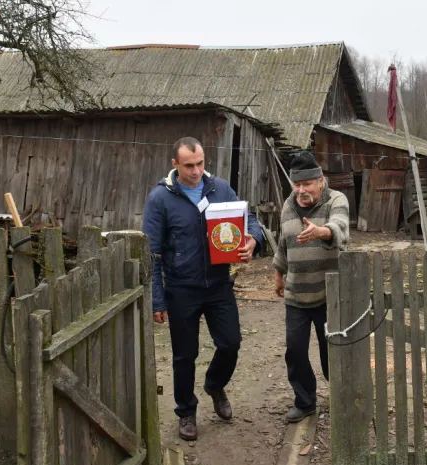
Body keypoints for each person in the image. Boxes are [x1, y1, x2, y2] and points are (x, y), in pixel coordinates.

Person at [143, 136, 263, 441]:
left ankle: (214, 384)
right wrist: (158, 299)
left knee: (231, 343)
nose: (196, 171)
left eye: (200, 164)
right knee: (185, 355)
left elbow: (249, 221)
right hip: (181, 288)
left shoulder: (220, 188)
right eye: (188, 166)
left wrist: (254, 240)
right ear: (175, 165)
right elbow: (151, 254)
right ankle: (186, 412)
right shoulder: (161, 199)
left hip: (219, 284)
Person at [272, 151, 349, 423]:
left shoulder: (335, 199)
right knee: (295, 350)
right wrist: (279, 274)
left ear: (320, 181)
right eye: (297, 185)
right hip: (297, 294)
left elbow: (341, 228)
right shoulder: (289, 204)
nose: (301, 190)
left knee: (333, 350)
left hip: (330, 295)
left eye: (307, 184)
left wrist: (322, 232)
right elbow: (284, 241)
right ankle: (305, 402)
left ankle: (342, 397)